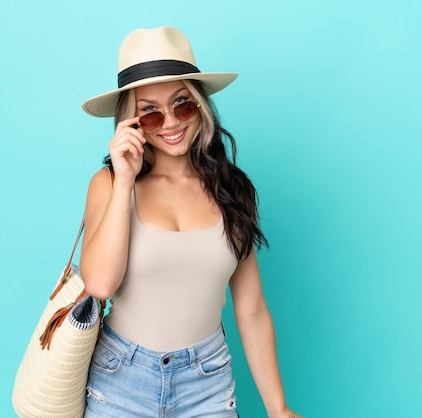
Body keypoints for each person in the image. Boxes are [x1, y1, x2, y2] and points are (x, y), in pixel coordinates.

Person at [79, 26, 302, 418]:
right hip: (120, 381)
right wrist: (125, 180)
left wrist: (278, 408)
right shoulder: (110, 184)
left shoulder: (233, 190)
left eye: (182, 104)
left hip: (207, 382)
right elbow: (99, 284)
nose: (169, 122)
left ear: (200, 105)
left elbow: (250, 310)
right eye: (149, 112)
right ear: (129, 122)